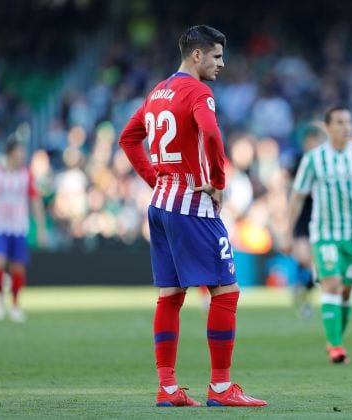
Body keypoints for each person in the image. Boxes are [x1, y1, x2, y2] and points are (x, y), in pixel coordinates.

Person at [118, 25, 266, 408]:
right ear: (196, 56)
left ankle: (167, 387)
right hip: (193, 205)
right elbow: (213, 135)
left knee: (170, 296)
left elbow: (128, 138)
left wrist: (154, 177)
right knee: (227, 292)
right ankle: (220, 387)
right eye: (216, 56)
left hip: (161, 205)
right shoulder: (199, 91)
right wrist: (217, 181)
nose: (221, 63)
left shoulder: (157, 92)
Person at [284, 106, 352, 364]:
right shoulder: (314, 159)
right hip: (324, 234)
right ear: (328, 127)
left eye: (349, 122)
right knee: (332, 284)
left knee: (345, 291)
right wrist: (288, 232)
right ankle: (336, 346)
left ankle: (335, 340)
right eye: (340, 122)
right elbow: (298, 196)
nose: (346, 127)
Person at [0, 139, 46, 322]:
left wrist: (40, 228)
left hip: (19, 227)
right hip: (0, 226)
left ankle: (14, 305)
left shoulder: (26, 175)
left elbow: (35, 200)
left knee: (17, 267)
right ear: (10, 153)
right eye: (19, 151)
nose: (21, 155)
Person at [289, 124, 325, 319]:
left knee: (315, 263)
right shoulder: (299, 161)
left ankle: (303, 291)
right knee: (304, 257)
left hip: (319, 217)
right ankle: (300, 287)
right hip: (302, 218)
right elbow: (290, 185)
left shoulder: (322, 161)